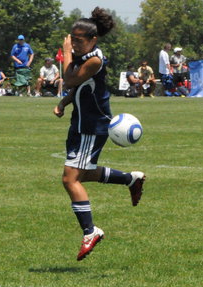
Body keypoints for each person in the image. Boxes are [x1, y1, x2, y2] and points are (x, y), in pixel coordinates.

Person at [53, 7, 146, 261]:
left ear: (93, 40)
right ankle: (131, 179)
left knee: (70, 180)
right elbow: (78, 86)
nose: (74, 44)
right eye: (72, 40)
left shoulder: (94, 59)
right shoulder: (85, 56)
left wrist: (66, 54)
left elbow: (70, 79)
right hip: (80, 123)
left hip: (92, 126)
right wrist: (64, 103)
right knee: (82, 174)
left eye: (78, 41)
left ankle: (90, 231)